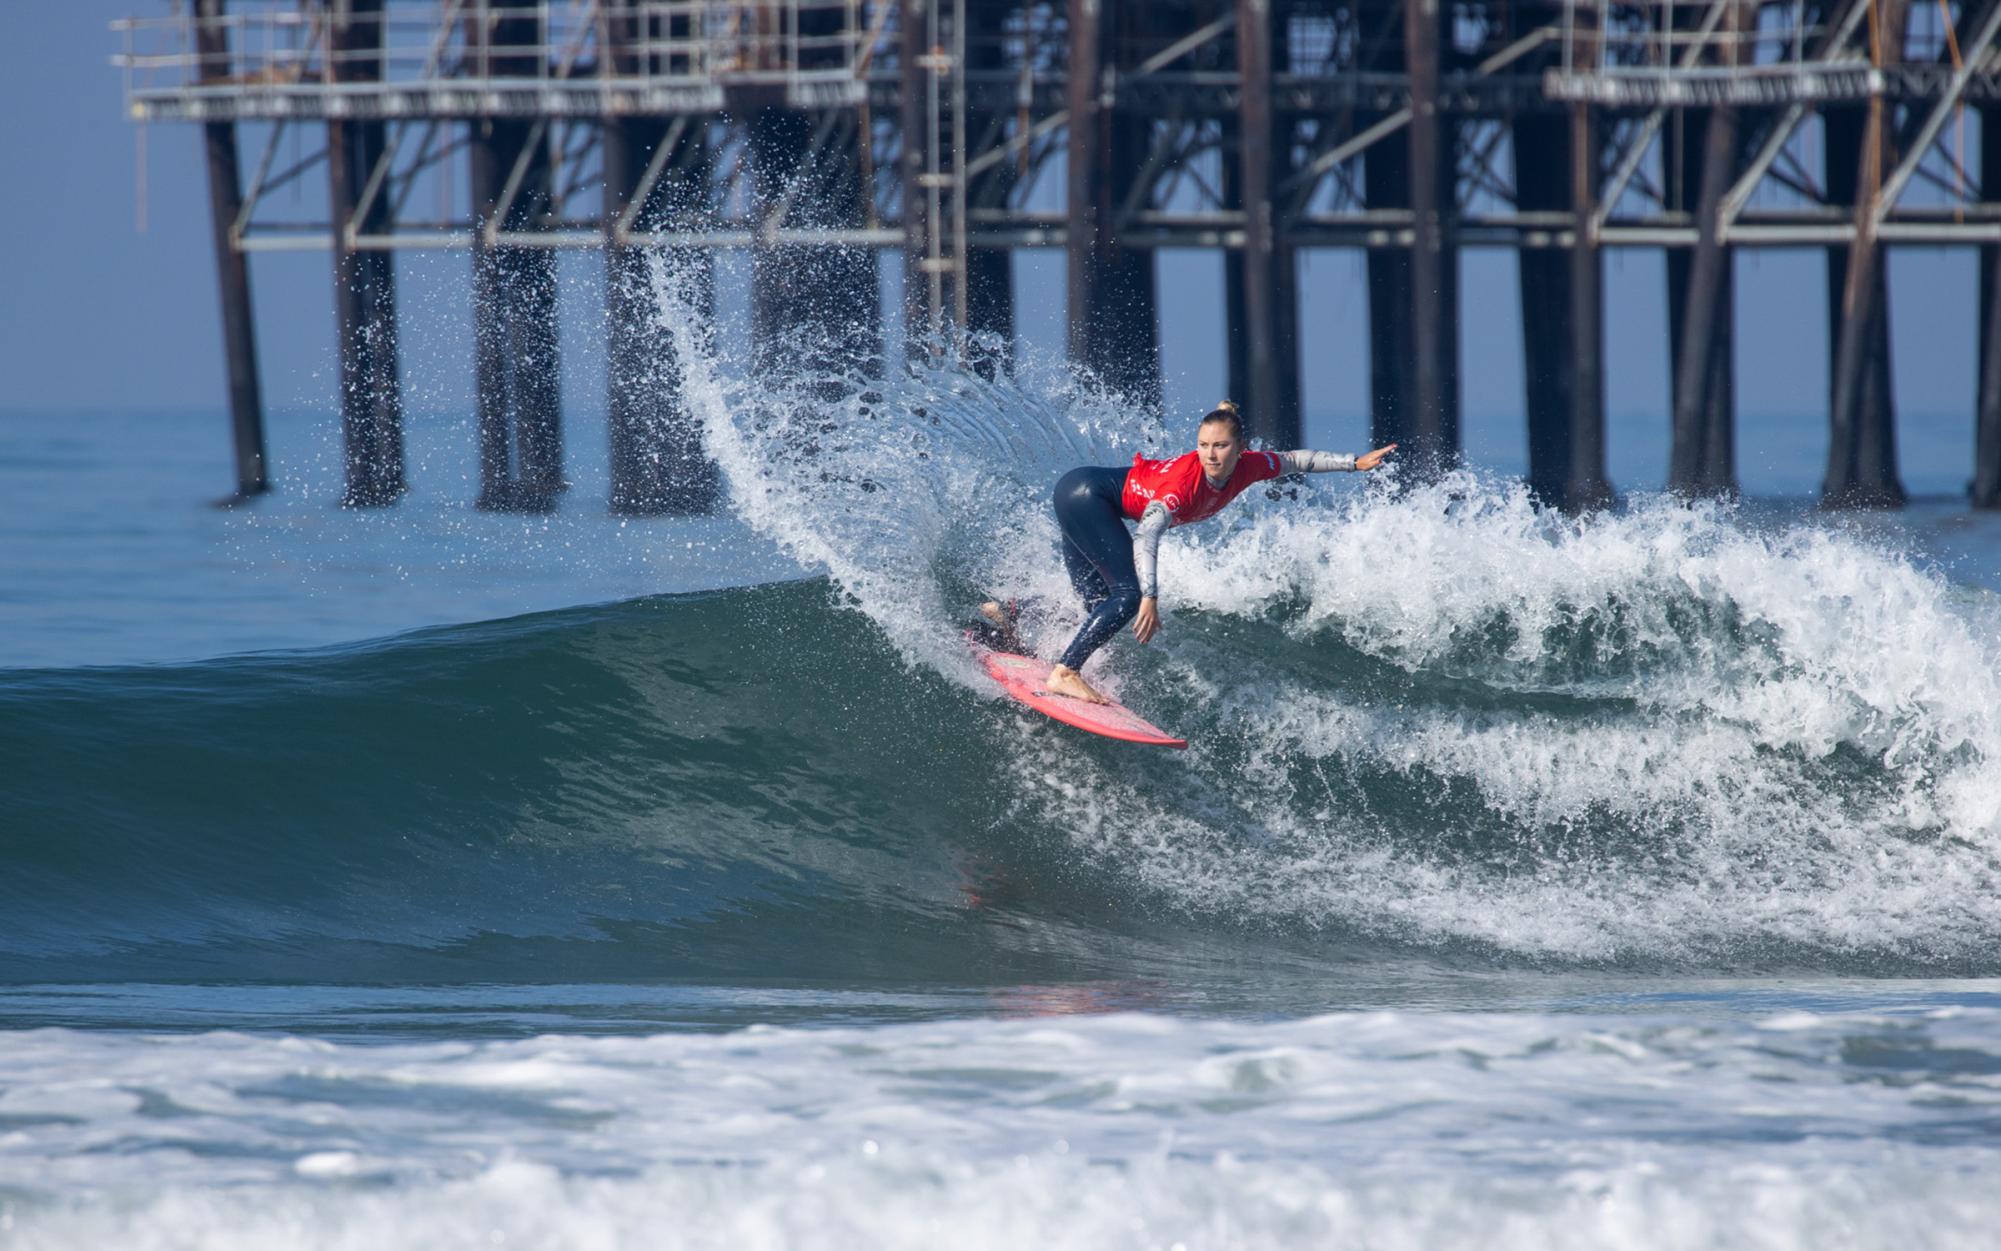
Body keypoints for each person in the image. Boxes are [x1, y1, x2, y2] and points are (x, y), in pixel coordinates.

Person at [982, 401, 1396, 704]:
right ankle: (1066, 672)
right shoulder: (1184, 486)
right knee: (1125, 597)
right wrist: (1149, 596)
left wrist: (1353, 463)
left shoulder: (1252, 465)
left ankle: (1012, 615)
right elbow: (1146, 534)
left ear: (1240, 448)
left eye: (1219, 446)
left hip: (1081, 495)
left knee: (1095, 604)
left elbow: (1295, 460)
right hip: (1085, 498)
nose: (1210, 454)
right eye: (1202, 445)